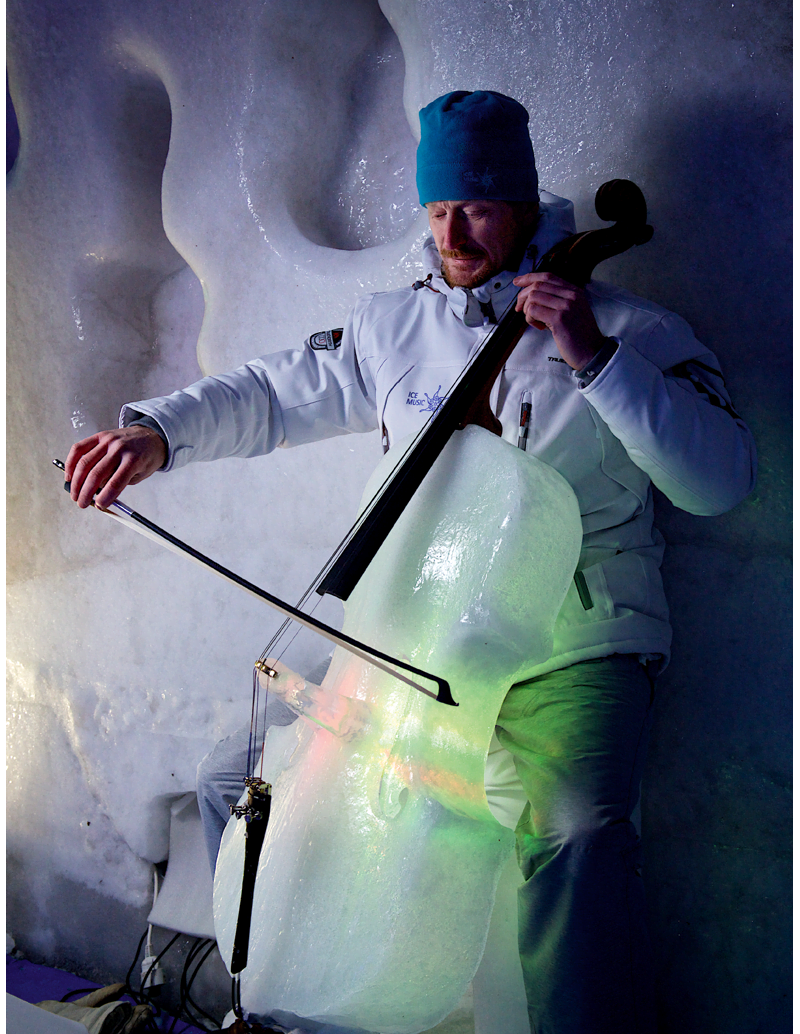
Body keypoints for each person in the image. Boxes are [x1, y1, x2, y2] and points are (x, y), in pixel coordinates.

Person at [65, 90, 756, 1034]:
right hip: (416, 636)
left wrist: (594, 361)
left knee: (580, 837)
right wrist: (158, 434)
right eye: (436, 211)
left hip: (574, 649)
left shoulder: (633, 330)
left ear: (518, 201)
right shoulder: (395, 327)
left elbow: (718, 480)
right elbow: (275, 392)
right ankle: (281, 1001)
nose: (452, 232)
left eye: (472, 206)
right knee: (245, 781)